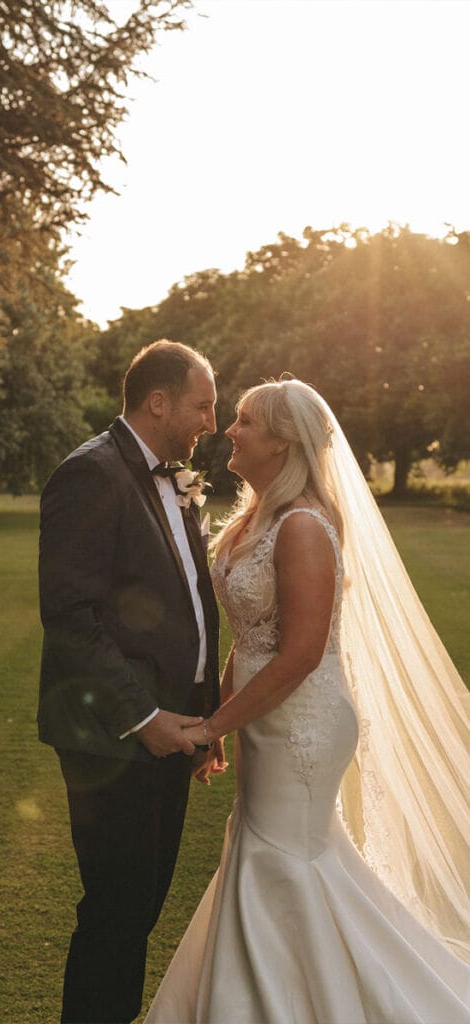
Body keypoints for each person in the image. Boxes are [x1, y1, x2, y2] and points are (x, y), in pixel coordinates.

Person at [145, 377, 469, 1024]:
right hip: (268, 718)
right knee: (273, 857)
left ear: (284, 444)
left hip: (304, 726)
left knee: (284, 861)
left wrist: (212, 726)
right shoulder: (255, 518)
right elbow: (252, 638)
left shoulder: (303, 527)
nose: (231, 431)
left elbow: (299, 653)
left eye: (246, 422)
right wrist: (226, 727)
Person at [37, 340, 223, 1024]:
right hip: (115, 736)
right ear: (158, 402)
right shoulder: (92, 473)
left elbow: (186, 602)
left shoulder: (169, 477)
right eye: (203, 405)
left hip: (171, 729)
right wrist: (145, 718)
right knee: (117, 909)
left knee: (138, 907)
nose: (211, 420)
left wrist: (202, 717)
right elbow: (69, 616)